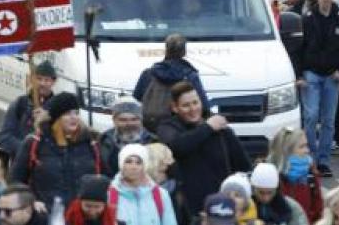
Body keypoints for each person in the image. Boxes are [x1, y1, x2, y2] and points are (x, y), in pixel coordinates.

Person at [155, 80, 250, 223]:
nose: (193, 109)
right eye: (186, 105)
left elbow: (243, 165)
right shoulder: (168, 127)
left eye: (195, 102)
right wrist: (207, 128)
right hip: (188, 210)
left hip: (221, 209)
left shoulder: (220, 130)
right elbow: (178, 147)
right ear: (174, 107)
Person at [295, 0, 339, 177]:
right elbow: (297, 49)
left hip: (333, 76)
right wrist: (298, 74)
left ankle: (323, 161)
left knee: (329, 120)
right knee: (311, 116)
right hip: (311, 73)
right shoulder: (306, 19)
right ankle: (309, 158)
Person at [10, 92, 102, 209]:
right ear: (56, 118)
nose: (74, 117)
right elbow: (15, 182)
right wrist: (30, 202)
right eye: (67, 113)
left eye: (76, 113)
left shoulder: (91, 143)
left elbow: (106, 181)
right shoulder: (35, 142)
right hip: (45, 217)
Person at [133, 34, 209, 132]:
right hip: (182, 128)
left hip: (152, 127)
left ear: (166, 49)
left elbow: (135, 101)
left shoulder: (148, 74)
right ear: (184, 52)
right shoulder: (190, 75)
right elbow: (204, 106)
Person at [0, 61, 57, 160]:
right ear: (32, 79)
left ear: (53, 82)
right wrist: (27, 148)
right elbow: (4, 137)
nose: (42, 83)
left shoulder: (58, 108)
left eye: (47, 80)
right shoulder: (20, 104)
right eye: (39, 79)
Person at [107, 144, 176, 225]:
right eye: (128, 162)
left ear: (145, 166)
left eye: (138, 163)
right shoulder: (108, 194)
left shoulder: (161, 194)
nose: (133, 167)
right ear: (121, 165)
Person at [266, 126, 323, 223]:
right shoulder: (268, 177)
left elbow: (318, 214)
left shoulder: (311, 177)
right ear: (286, 151)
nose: (307, 150)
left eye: (307, 145)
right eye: (302, 146)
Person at [98, 100, 152, 175]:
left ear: (141, 120)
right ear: (114, 120)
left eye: (134, 119)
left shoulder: (152, 141)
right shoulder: (104, 140)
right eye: (123, 120)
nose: (129, 124)